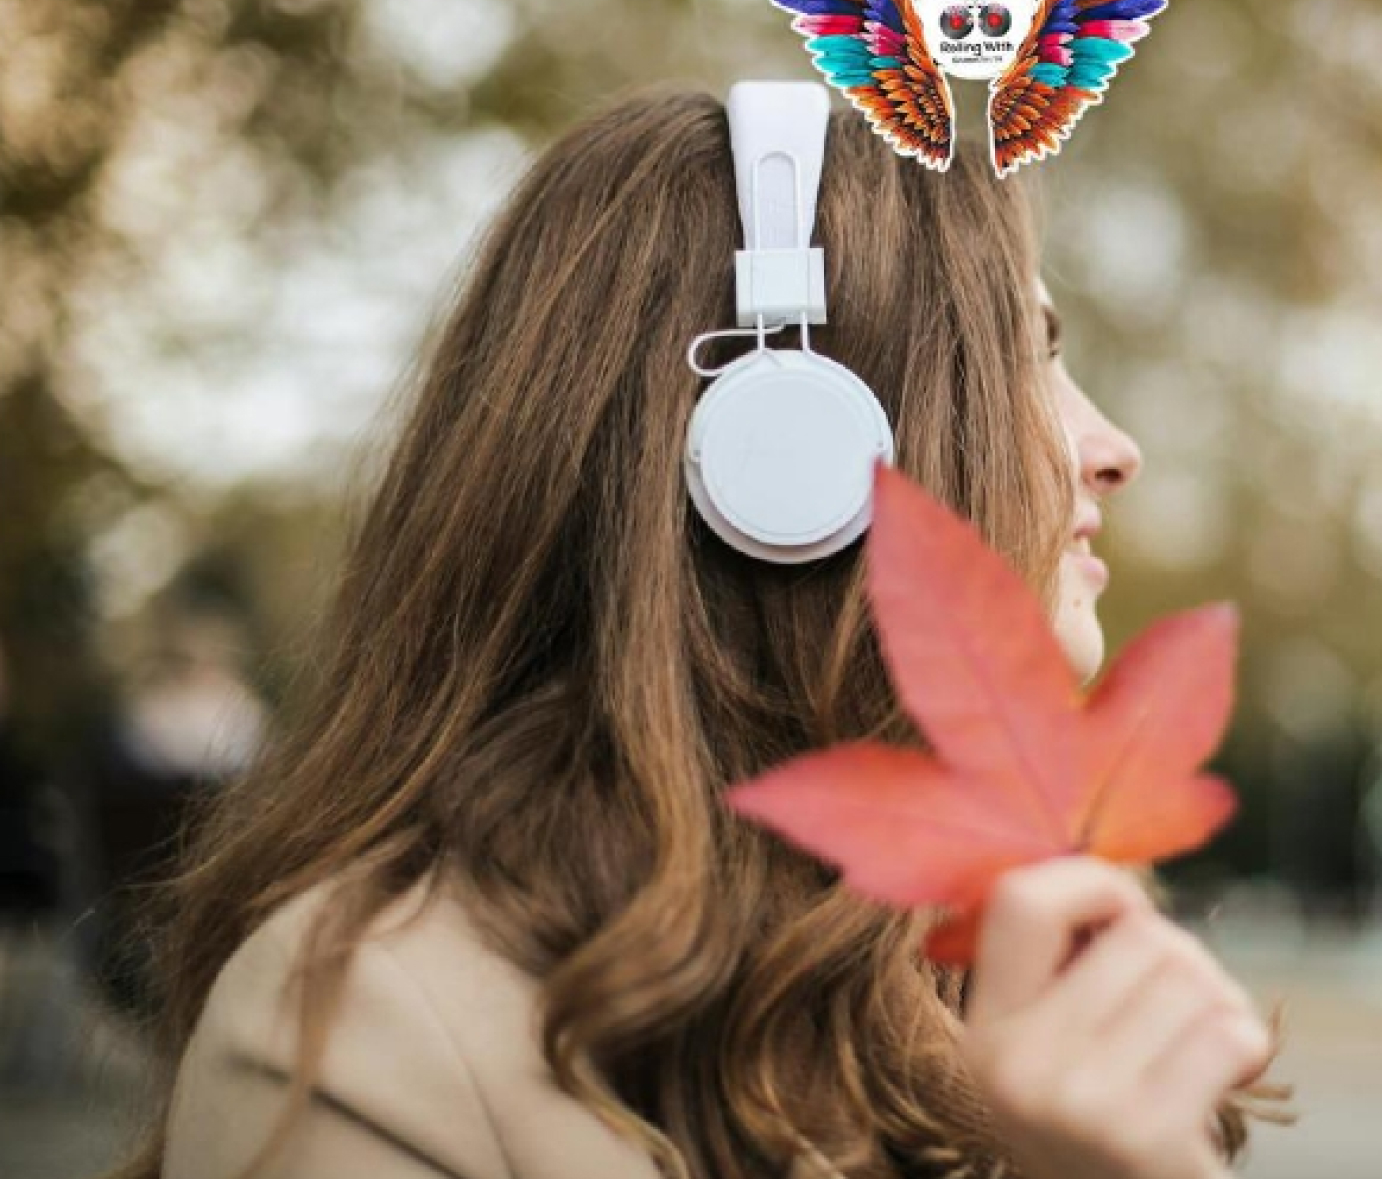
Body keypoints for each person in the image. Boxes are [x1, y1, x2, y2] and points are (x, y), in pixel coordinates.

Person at [106, 85, 1290, 1179]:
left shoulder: (1000, 955)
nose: (1115, 445)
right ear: (796, 457)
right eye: (1021, 363)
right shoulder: (369, 1026)